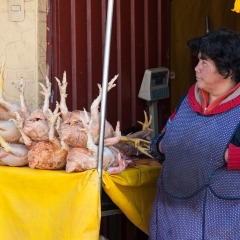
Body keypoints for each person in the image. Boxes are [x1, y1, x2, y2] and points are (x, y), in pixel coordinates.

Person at [148, 28, 240, 239]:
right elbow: (166, 135)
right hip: (170, 215)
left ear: (228, 70)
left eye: (204, 63)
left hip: (222, 223)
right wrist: (162, 145)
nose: (196, 68)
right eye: (198, 61)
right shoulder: (189, 99)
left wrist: (227, 155)